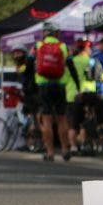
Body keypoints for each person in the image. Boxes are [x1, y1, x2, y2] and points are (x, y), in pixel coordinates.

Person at [33, 23, 77, 161]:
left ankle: (50, 152)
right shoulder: (64, 47)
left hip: (44, 85)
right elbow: (71, 66)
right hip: (60, 85)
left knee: (46, 119)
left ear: (45, 33)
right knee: (61, 119)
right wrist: (78, 84)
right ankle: (65, 150)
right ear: (57, 33)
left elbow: (29, 62)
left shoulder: (38, 46)